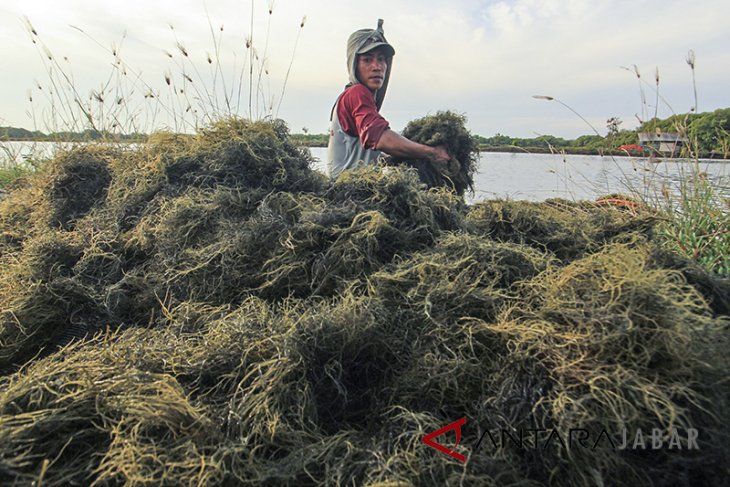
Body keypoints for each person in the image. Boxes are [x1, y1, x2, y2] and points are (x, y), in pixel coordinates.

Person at [327, 19, 450, 179]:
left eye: (381, 59)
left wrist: (394, 158)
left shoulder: (359, 98)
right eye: (367, 59)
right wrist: (432, 152)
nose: (377, 66)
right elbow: (380, 139)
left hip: (356, 188)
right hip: (347, 194)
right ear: (354, 64)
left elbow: (365, 153)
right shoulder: (357, 93)